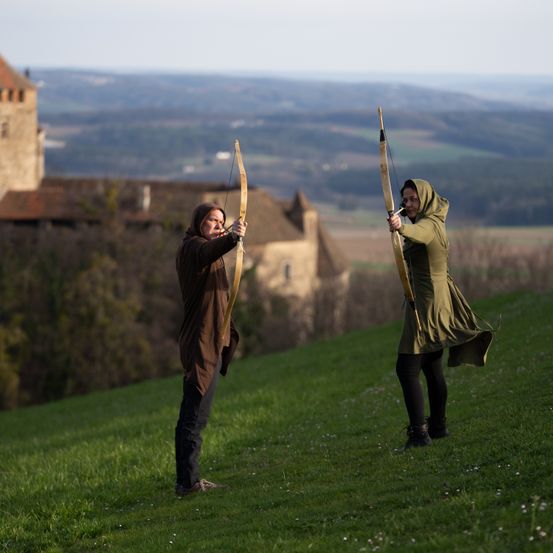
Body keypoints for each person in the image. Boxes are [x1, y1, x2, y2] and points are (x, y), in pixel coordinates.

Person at [387, 179, 493, 450]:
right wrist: (403, 229)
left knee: (406, 368)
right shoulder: (430, 220)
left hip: (428, 305)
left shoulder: (430, 224)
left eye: (413, 199)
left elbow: (419, 233)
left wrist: (401, 228)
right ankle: (438, 427)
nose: (408, 204)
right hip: (432, 299)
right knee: (431, 364)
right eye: (405, 200)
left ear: (425, 199)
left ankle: (420, 435)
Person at [174, 202, 247, 496]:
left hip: (213, 342)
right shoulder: (192, 248)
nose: (218, 226)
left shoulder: (206, 248)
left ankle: (189, 480)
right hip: (199, 345)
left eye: (222, 222)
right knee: (192, 417)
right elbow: (208, 251)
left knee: (198, 417)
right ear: (198, 223)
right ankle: (188, 483)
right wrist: (232, 238)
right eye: (212, 221)